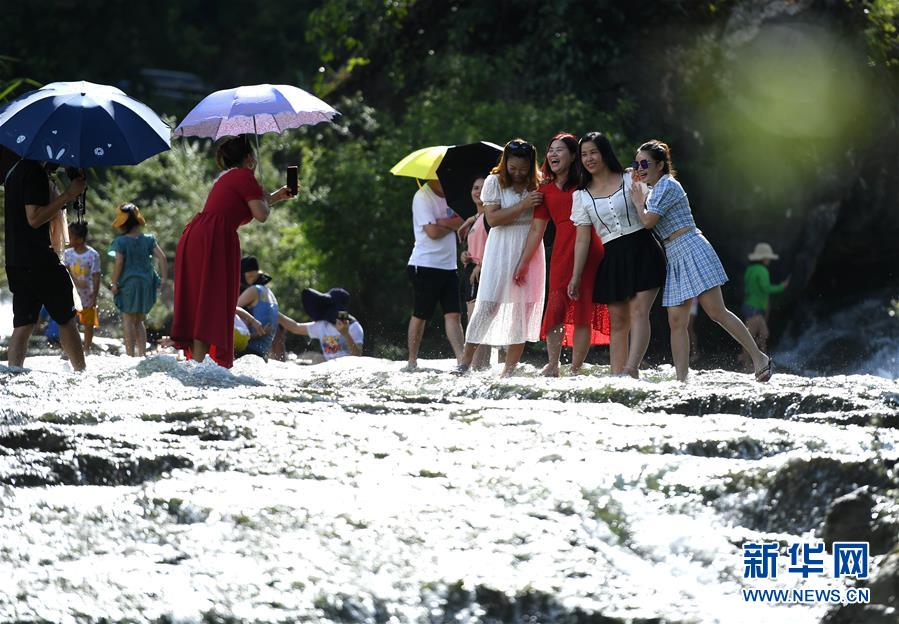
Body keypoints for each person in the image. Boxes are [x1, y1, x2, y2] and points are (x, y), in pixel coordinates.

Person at [631, 140, 774, 382]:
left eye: (644, 163)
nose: (639, 168)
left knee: (716, 311)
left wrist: (636, 200)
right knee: (676, 321)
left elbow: (648, 222)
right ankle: (682, 379)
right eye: (636, 163)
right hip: (674, 254)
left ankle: (760, 358)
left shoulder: (667, 185)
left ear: (660, 165)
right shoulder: (653, 190)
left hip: (691, 247)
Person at [170, 135, 294, 368]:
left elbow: (254, 203)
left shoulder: (230, 176)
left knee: (205, 301)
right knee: (211, 301)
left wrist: (276, 196)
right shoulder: (245, 176)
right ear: (250, 158)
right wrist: (262, 192)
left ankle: (197, 365)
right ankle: (199, 367)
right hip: (214, 239)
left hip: (201, 235)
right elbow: (262, 214)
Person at [568, 132, 666, 378]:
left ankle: (631, 371)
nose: (589, 158)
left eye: (594, 152)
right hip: (613, 257)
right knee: (619, 322)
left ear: (604, 153)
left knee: (639, 312)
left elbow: (652, 210)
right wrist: (576, 276)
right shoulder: (580, 196)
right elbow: (583, 238)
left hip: (643, 250)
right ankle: (616, 377)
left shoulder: (630, 177)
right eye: (584, 154)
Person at [514, 132, 610, 376]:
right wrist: (523, 263)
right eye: (550, 150)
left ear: (572, 155)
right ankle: (553, 363)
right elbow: (537, 229)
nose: (553, 154)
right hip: (561, 251)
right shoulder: (544, 191)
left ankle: (576, 368)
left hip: (590, 248)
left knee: (582, 309)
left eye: (559, 150)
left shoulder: (586, 184)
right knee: (556, 306)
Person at [455, 139, 546, 376]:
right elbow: (492, 219)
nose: (517, 173)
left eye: (523, 169)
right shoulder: (494, 181)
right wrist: (524, 204)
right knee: (488, 303)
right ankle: (465, 362)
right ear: (505, 164)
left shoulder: (538, 183)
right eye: (513, 168)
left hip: (528, 245)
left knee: (522, 308)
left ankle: (509, 369)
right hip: (501, 244)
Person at [3, 159, 86, 371]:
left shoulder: (14, 172)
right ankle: (81, 375)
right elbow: (34, 218)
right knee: (66, 318)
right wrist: (68, 194)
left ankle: (14, 373)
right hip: (39, 258)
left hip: (16, 259)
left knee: (23, 323)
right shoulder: (34, 172)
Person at [404, 178, 465, 370]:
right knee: (421, 314)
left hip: (449, 266)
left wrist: (443, 223)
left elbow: (463, 222)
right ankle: (412, 360)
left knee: (454, 314)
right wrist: (451, 223)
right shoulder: (422, 196)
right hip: (424, 265)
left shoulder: (452, 197)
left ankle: (462, 360)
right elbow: (432, 232)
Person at [109, 203, 168, 357]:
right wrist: (164, 279)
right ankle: (142, 354)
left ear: (122, 224)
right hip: (147, 283)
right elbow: (162, 257)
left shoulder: (121, 242)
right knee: (139, 320)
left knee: (128, 319)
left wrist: (114, 282)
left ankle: (130, 355)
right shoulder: (148, 239)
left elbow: (119, 262)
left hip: (129, 284)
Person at [458, 177, 491, 370]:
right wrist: (466, 255)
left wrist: (482, 264)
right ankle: (481, 367)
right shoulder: (476, 218)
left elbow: (495, 245)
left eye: (484, 187)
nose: (478, 191)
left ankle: (479, 367)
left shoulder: (490, 216)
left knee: (476, 322)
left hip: (482, 272)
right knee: (475, 321)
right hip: (472, 270)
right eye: (475, 187)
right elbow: (475, 248)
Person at [279, 287, 363, 362]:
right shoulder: (322, 325)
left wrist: (345, 334)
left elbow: (357, 355)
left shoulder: (354, 327)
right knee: (317, 358)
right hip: (330, 372)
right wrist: (273, 312)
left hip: (348, 372)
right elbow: (295, 327)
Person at [741, 242, 789, 369]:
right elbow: (766, 288)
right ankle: (748, 363)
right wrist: (781, 287)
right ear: (763, 258)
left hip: (748, 305)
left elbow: (747, 287)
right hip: (755, 308)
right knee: (752, 336)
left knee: (761, 334)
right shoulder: (762, 270)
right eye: (768, 257)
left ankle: (757, 360)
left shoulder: (750, 270)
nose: (769, 260)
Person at [64, 222, 101, 351]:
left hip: (88, 295)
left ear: (80, 239)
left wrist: (94, 296)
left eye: (70, 237)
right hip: (71, 294)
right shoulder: (67, 254)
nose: (67, 239)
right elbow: (65, 272)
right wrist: (75, 281)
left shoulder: (93, 255)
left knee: (88, 323)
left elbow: (96, 276)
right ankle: (70, 348)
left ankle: (87, 348)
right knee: (70, 321)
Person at [235, 255, 279, 361]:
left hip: (248, 351)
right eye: (249, 277)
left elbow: (228, 310)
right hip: (261, 353)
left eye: (254, 277)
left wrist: (251, 320)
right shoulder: (268, 293)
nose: (252, 280)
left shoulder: (253, 290)